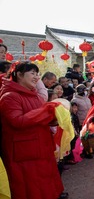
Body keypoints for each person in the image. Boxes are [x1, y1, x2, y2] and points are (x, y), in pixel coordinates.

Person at [0, 62, 64, 198]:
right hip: (23, 156)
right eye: (32, 73)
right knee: (29, 191)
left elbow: (42, 118)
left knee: (45, 190)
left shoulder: (35, 96)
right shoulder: (9, 97)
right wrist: (46, 112)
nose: (36, 77)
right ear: (19, 75)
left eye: (37, 74)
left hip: (41, 151)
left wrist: (56, 118)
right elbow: (18, 121)